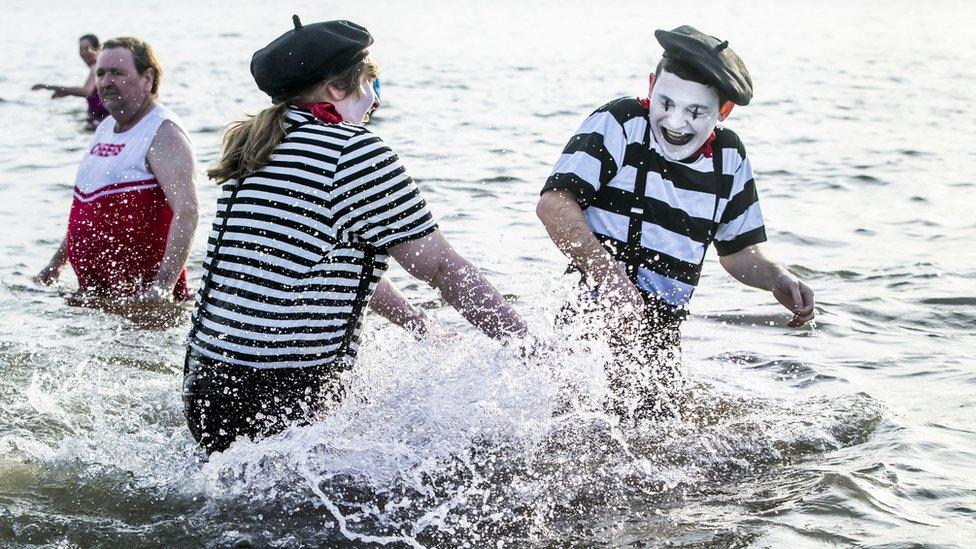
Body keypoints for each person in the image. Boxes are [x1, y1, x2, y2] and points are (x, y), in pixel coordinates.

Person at [183, 16, 527, 455]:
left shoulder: (257, 147)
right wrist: (528, 350)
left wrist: (420, 326)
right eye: (371, 82)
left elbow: (323, 259)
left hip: (207, 386)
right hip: (283, 398)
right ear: (336, 90)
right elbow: (441, 266)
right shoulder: (352, 150)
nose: (374, 102)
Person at [536, 26, 815, 418]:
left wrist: (776, 278)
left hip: (663, 334)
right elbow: (554, 205)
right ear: (652, 85)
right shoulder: (620, 122)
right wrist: (613, 283)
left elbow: (738, 252)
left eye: (695, 111)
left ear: (723, 112)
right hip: (593, 318)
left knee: (661, 441)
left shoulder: (728, 157)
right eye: (665, 102)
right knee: (580, 432)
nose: (675, 122)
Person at [35, 37, 198, 302]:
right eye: (100, 73)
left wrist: (162, 288)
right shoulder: (105, 127)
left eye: (116, 73)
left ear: (147, 79)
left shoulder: (164, 133)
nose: (106, 81)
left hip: (142, 301)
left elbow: (188, 211)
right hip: (95, 295)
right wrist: (55, 265)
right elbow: (87, 206)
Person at [32, 34, 110, 125]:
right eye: (81, 49)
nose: (84, 52)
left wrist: (49, 87)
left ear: (97, 49)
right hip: (99, 119)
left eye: (87, 48)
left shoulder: (96, 67)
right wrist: (67, 92)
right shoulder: (100, 66)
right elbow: (93, 93)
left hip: (102, 120)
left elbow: (87, 91)